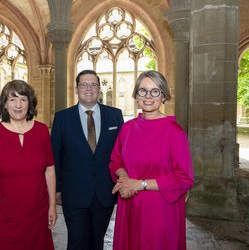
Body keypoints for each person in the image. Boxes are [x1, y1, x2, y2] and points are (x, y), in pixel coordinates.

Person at [109, 70, 194, 250]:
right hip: (130, 207)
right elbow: (116, 160)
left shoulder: (175, 132)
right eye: (143, 91)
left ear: (163, 96)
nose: (148, 96)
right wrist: (124, 180)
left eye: (155, 91)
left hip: (160, 212)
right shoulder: (127, 128)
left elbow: (184, 178)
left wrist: (138, 184)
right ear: (136, 95)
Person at [0, 80, 57, 250]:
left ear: (30, 103)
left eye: (23, 99)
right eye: (12, 99)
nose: (18, 105)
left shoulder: (42, 131)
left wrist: (52, 206)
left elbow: (49, 169)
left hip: (37, 215)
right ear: (5, 104)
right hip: (3, 216)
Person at [51, 69, 124, 250]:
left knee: (97, 242)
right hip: (73, 193)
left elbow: (122, 153)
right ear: (76, 89)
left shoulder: (115, 115)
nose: (88, 88)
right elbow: (55, 157)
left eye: (93, 84)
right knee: (77, 241)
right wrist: (57, 189)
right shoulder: (62, 118)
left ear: (99, 88)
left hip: (105, 193)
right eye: (84, 84)